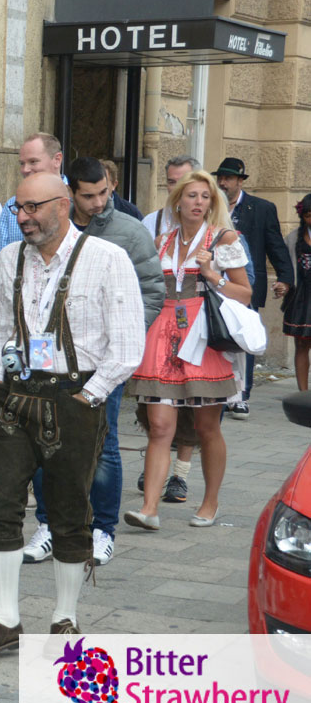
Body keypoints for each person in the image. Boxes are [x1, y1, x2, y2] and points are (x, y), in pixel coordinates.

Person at [0, 173, 143, 655]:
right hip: (14, 397)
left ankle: (65, 618)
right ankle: (5, 620)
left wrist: (90, 396)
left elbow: (127, 347)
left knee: (68, 511)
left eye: (33, 207)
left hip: (74, 396)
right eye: (18, 208)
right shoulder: (8, 259)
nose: (22, 217)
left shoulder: (107, 259)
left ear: (63, 206)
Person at [23, 157, 164, 567]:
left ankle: (102, 529)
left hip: (104, 361)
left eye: (105, 192)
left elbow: (153, 292)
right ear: (69, 195)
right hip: (46, 357)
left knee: (103, 446)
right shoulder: (47, 227)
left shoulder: (129, 232)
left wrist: (122, 337)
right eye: (89, 195)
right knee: (42, 439)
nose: (100, 202)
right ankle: (49, 524)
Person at [125, 171, 251, 531]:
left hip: (203, 337)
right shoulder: (161, 241)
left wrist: (214, 275)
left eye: (206, 197)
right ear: (178, 201)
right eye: (192, 196)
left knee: (207, 427)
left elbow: (245, 293)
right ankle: (149, 507)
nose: (199, 203)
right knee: (159, 425)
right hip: (162, 335)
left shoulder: (223, 239)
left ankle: (210, 501)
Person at [215, 156, 293, 418]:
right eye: (220, 178)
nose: (222, 183)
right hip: (216, 283)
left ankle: (242, 395)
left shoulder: (261, 208)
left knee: (243, 336)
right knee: (219, 335)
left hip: (247, 283)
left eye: (228, 178)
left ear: (240, 180)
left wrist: (284, 277)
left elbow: (275, 245)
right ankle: (221, 390)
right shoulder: (212, 205)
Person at [0, 133, 65, 251]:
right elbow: (0, 254)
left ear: (57, 160)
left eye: (33, 161)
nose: (25, 170)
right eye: (22, 163)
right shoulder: (12, 206)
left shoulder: (79, 199)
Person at [283, 195, 311, 390]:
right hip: (301, 298)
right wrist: (283, 285)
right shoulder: (293, 238)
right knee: (301, 345)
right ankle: (302, 392)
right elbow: (286, 268)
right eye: (309, 215)